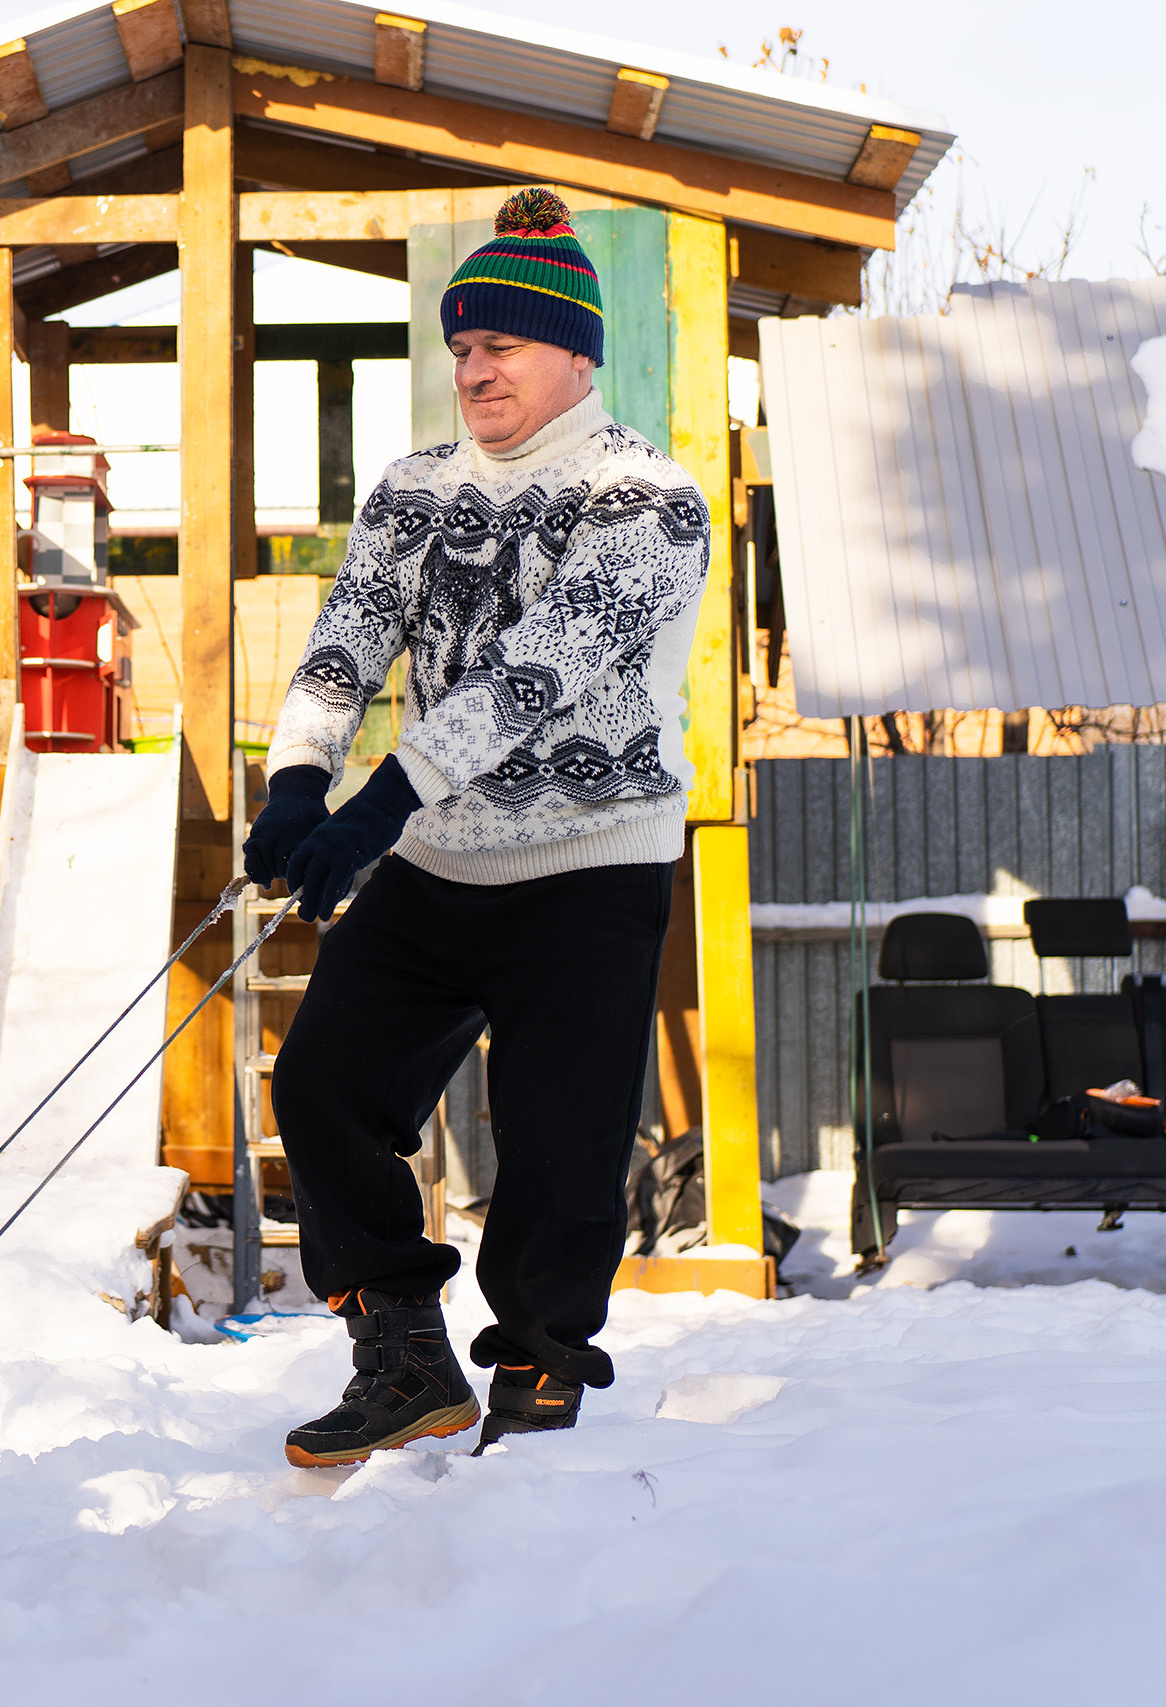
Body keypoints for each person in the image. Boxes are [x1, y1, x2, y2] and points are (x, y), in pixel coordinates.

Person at [243, 189, 712, 1468]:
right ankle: (401, 1352)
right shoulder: (411, 493)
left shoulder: (646, 501)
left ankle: (539, 1379)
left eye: (500, 344)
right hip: (438, 866)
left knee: (558, 1138)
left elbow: (536, 669)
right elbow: (342, 648)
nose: (475, 368)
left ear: (574, 355)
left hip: (590, 865)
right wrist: (297, 785)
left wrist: (379, 803)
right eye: (459, 347)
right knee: (324, 1081)